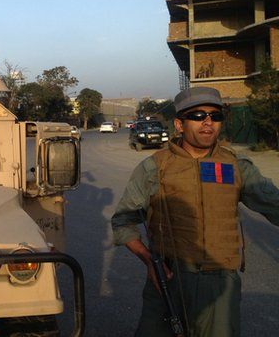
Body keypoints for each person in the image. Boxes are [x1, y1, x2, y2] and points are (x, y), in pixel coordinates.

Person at [111, 86, 279, 337]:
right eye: (198, 116)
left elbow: (274, 203)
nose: (208, 122)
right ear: (179, 124)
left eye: (215, 116)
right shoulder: (154, 168)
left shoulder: (236, 166)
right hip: (169, 280)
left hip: (220, 285)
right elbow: (123, 220)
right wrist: (149, 260)